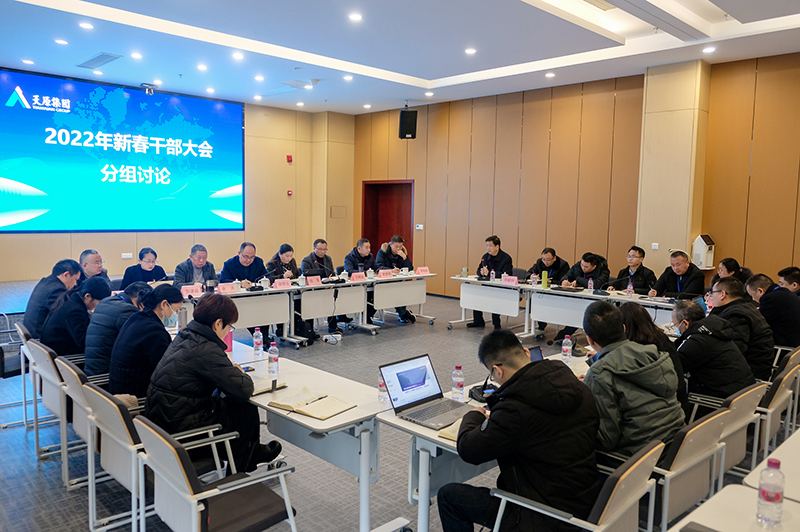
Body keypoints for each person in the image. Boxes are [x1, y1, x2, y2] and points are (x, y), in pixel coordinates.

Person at [437, 330, 600, 532]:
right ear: (526, 352)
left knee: (449, 497)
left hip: (544, 515)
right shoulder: (576, 385)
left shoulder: (514, 410)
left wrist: (474, 416)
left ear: (497, 371)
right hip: (585, 501)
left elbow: (469, 450)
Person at [146, 293, 282, 473]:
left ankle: (251, 453)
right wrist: (239, 372)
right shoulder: (206, 348)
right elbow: (244, 388)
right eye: (230, 326)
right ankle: (242, 467)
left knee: (231, 401)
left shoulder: (185, 335)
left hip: (160, 422)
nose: (229, 331)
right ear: (218, 323)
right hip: (181, 432)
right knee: (243, 406)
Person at [582, 301, 685, 455]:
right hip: (678, 444)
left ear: (590, 340)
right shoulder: (654, 353)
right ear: (623, 328)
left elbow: (606, 439)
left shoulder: (599, 374)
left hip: (639, 458)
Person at [109, 284, 184, 398]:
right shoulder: (154, 331)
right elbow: (166, 371)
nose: (176, 315)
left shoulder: (137, 317)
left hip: (119, 389)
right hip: (135, 396)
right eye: (176, 310)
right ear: (164, 304)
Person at [672, 300, 755, 399]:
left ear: (685, 323)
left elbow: (674, 367)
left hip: (721, 398)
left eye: (675, 324)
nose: (676, 328)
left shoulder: (699, 341)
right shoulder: (713, 330)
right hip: (743, 392)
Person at [709, 277, 774, 380]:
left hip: (748, 374)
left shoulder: (736, 315)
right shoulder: (746, 307)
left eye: (712, 293)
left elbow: (734, 352)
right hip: (757, 367)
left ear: (722, 294)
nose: (711, 297)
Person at [84, 282, 149, 376]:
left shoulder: (106, 302)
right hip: (106, 374)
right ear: (138, 300)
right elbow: (138, 345)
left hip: (93, 368)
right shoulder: (127, 311)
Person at [40, 277, 111, 357]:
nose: (100, 306)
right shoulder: (75, 311)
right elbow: (84, 343)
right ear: (87, 296)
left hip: (53, 351)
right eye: (99, 302)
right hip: (64, 357)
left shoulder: (71, 297)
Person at [553, 252, 610, 343]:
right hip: (578, 298)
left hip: (595, 301)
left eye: (586, 267)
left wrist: (578, 280)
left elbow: (596, 285)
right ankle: (564, 334)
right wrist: (564, 281)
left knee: (581, 313)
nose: (583, 268)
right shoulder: (578, 265)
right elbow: (567, 275)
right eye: (582, 265)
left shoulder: (603, 270)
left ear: (594, 267)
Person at [301, 239, 352, 333]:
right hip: (313, 290)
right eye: (320, 249)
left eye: (325, 249)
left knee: (333, 299)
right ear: (314, 248)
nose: (323, 252)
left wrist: (331, 281)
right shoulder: (307, 260)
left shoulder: (328, 258)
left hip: (328, 287)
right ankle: (310, 331)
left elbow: (331, 273)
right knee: (310, 303)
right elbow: (305, 274)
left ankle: (333, 327)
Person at [23, 259, 83, 338]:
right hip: (39, 338)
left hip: (32, 332)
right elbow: (66, 315)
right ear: (66, 275)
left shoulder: (45, 281)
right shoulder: (57, 290)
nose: (75, 284)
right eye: (75, 279)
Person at [468, 236, 513, 329]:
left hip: (500, 287)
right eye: (487, 246)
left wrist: (491, 274)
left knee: (494, 299)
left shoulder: (506, 258)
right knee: (476, 295)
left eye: (490, 246)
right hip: (487, 285)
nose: (488, 248)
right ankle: (478, 321)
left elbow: (507, 274)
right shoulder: (485, 257)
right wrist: (481, 272)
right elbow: (479, 269)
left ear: (497, 247)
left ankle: (496, 324)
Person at [745, 274, 800, 348]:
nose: (753, 299)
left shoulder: (769, 298)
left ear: (760, 291)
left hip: (785, 347)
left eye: (752, 295)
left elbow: (758, 324)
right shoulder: (783, 292)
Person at [525, 247, 570, 334]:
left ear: (554, 258)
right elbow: (528, 272)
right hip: (542, 291)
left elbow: (563, 281)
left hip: (556, 292)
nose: (545, 262)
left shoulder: (563, 265)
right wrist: (531, 276)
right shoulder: (540, 262)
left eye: (548, 260)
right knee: (535, 300)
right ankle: (541, 326)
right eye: (544, 259)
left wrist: (551, 281)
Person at [375, 235, 416, 323]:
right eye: (396, 246)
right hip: (384, 281)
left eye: (400, 246)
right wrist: (391, 271)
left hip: (397, 280)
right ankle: (403, 313)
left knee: (401, 289)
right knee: (395, 290)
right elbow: (378, 267)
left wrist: (405, 257)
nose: (398, 249)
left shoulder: (402, 252)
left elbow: (410, 268)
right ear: (391, 245)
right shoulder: (383, 252)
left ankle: (403, 313)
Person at [344, 238, 377, 324]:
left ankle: (367, 315)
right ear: (359, 248)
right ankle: (365, 316)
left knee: (378, 293)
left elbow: (376, 268)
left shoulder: (370, 257)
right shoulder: (350, 257)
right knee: (366, 294)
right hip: (354, 286)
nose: (369, 250)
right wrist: (364, 273)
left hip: (368, 284)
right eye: (366, 247)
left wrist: (388, 271)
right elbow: (349, 271)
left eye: (369, 247)